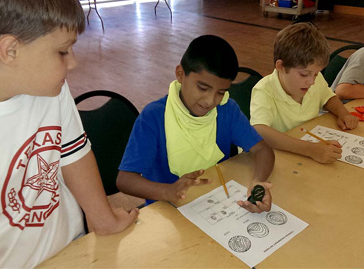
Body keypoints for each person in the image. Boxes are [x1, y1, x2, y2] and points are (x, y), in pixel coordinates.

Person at [0, 0, 138, 268]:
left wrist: (103, 219)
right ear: (10, 50)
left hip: (70, 254)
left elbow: (74, 153)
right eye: (62, 51)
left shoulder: (48, 88)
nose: (73, 62)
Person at [117, 35, 275, 213]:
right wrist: (167, 191)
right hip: (167, 210)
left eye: (220, 92)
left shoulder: (226, 109)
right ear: (180, 74)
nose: (210, 101)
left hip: (216, 202)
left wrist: (257, 182)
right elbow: (125, 179)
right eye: (203, 88)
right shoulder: (154, 116)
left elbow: (263, 150)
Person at [250, 23, 359, 164]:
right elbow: (259, 131)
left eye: (316, 73)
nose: (312, 81)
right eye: (304, 74)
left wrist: (342, 113)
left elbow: (327, 97)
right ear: (281, 66)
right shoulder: (264, 90)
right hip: (278, 159)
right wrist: (311, 150)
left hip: (304, 154)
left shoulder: (313, 78)